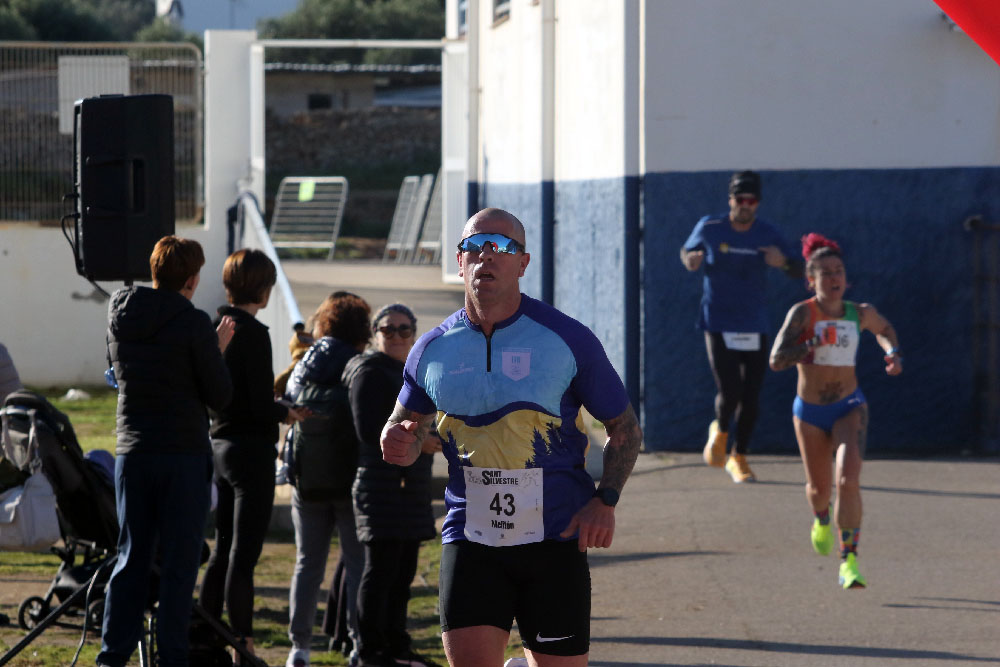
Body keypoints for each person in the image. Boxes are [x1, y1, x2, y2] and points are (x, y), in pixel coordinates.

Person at [381, 208, 643, 667]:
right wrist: (396, 443)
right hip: (471, 538)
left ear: (522, 263)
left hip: (555, 539)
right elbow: (403, 429)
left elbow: (625, 429)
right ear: (460, 262)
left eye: (502, 247)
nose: (487, 256)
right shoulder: (431, 349)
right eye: (475, 246)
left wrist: (607, 499)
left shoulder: (566, 339)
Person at [97, 236, 234, 667]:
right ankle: (172, 656)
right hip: (182, 455)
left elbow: (117, 373)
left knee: (131, 555)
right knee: (179, 561)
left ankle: (112, 654)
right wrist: (217, 349)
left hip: (133, 451)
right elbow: (219, 394)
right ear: (193, 279)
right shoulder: (194, 323)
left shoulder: (120, 313)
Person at [769, 233, 902, 589]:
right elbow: (776, 360)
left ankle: (849, 561)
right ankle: (820, 518)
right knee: (819, 488)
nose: (833, 278)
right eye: (825, 272)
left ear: (846, 278)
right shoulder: (803, 313)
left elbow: (885, 329)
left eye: (838, 270)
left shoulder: (860, 313)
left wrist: (891, 352)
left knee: (849, 479)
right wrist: (811, 343)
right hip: (810, 412)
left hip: (849, 407)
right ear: (811, 280)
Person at [200, 249, 307, 664]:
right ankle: (243, 642)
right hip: (251, 453)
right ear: (262, 288)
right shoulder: (255, 332)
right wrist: (288, 412)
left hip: (219, 447)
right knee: (244, 557)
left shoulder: (216, 327)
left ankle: (206, 634)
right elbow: (259, 403)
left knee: (222, 547)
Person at [680, 170, 803, 483]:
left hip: (754, 324)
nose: (745, 205)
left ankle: (739, 456)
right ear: (731, 199)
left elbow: (798, 269)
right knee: (730, 389)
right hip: (718, 321)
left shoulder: (768, 233)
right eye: (740, 199)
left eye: (751, 200)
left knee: (752, 396)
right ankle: (720, 431)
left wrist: (783, 263)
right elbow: (687, 252)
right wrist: (690, 260)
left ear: (757, 203)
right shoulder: (710, 227)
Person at [343, 304, 440, 667]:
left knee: (403, 573)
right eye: (388, 330)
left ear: (415, 333)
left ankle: (397, 645)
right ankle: (370, 650)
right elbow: (368, 432)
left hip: (410, 485)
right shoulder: (369, 372)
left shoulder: (415, 372)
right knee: (380, 571)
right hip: (380, 485)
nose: (397, 336)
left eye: (404, 330)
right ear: (375, 333)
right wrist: (420, 440)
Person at [283, 292, 370, 667]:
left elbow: (288, 400)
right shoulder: (358, 364)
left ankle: (298, 646)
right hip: (349, 480)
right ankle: (356, 644)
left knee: (307, 563)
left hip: (308, 478)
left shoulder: (307, 360)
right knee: (357, 565)